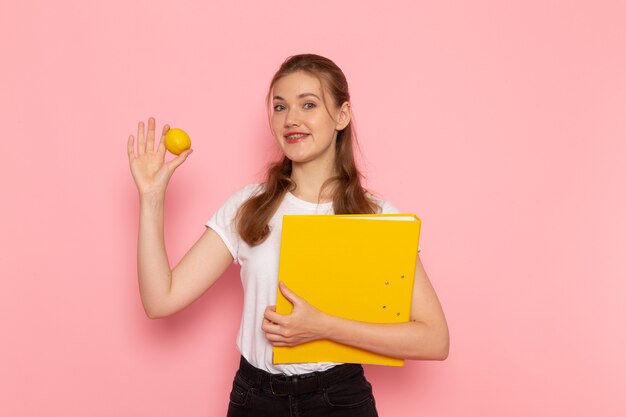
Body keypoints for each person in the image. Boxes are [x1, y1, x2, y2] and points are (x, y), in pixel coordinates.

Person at [127, 54, 449, 417]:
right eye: (279, 107)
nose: (290, 119)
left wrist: (323, 327)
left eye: (308, 104)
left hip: (339, 399)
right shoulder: (247, 207)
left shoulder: (375, 216)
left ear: (342, 115)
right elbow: (160, 300)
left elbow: (434, 339)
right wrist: (151, 197)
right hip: (255, 398)